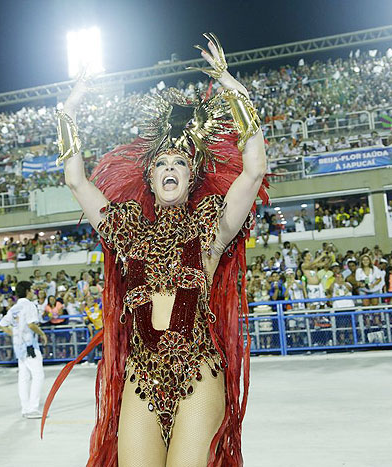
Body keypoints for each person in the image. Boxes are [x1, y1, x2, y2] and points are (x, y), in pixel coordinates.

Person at [44, 33, 268, 466]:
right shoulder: (127, 231)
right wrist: (68, 109)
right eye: (161, 163)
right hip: (141, 376)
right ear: (149, 180)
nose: (170, 167)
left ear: (191, 176)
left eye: (179, 163)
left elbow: (254, 169)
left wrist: (229, 84)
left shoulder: (210, 229)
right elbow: (76, 180)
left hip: (198, 373)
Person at [0, 281, 48, 418]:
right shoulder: (29, 305)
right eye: (32, 290)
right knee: (38, 375)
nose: (33, 292)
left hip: (18, 346)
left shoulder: (14, 308)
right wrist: (42, 334)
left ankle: (25, 408)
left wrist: (15, 333)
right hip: (29, 345)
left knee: (24, 377)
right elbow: (31, 324)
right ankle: (33, 408)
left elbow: (2, 324)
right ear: (27, 291)